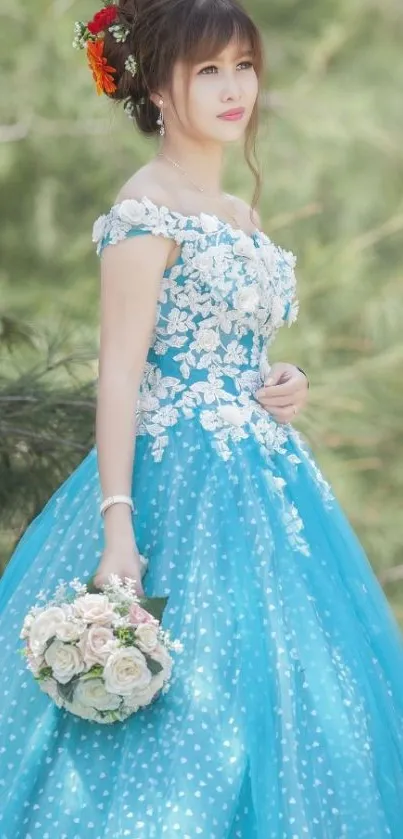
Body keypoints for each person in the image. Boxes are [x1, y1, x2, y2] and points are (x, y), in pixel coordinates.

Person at [0, 0, 403, 836]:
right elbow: (119, 374)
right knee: (189, 707)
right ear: (155, 87)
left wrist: (280, 377)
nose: (233, 89)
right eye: (207, 70)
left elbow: (231, 347)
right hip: (175, 479)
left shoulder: (239, 214)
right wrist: (118, 524)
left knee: (298, 696)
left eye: (244, 67)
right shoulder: (147, 207)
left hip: (267, 482)